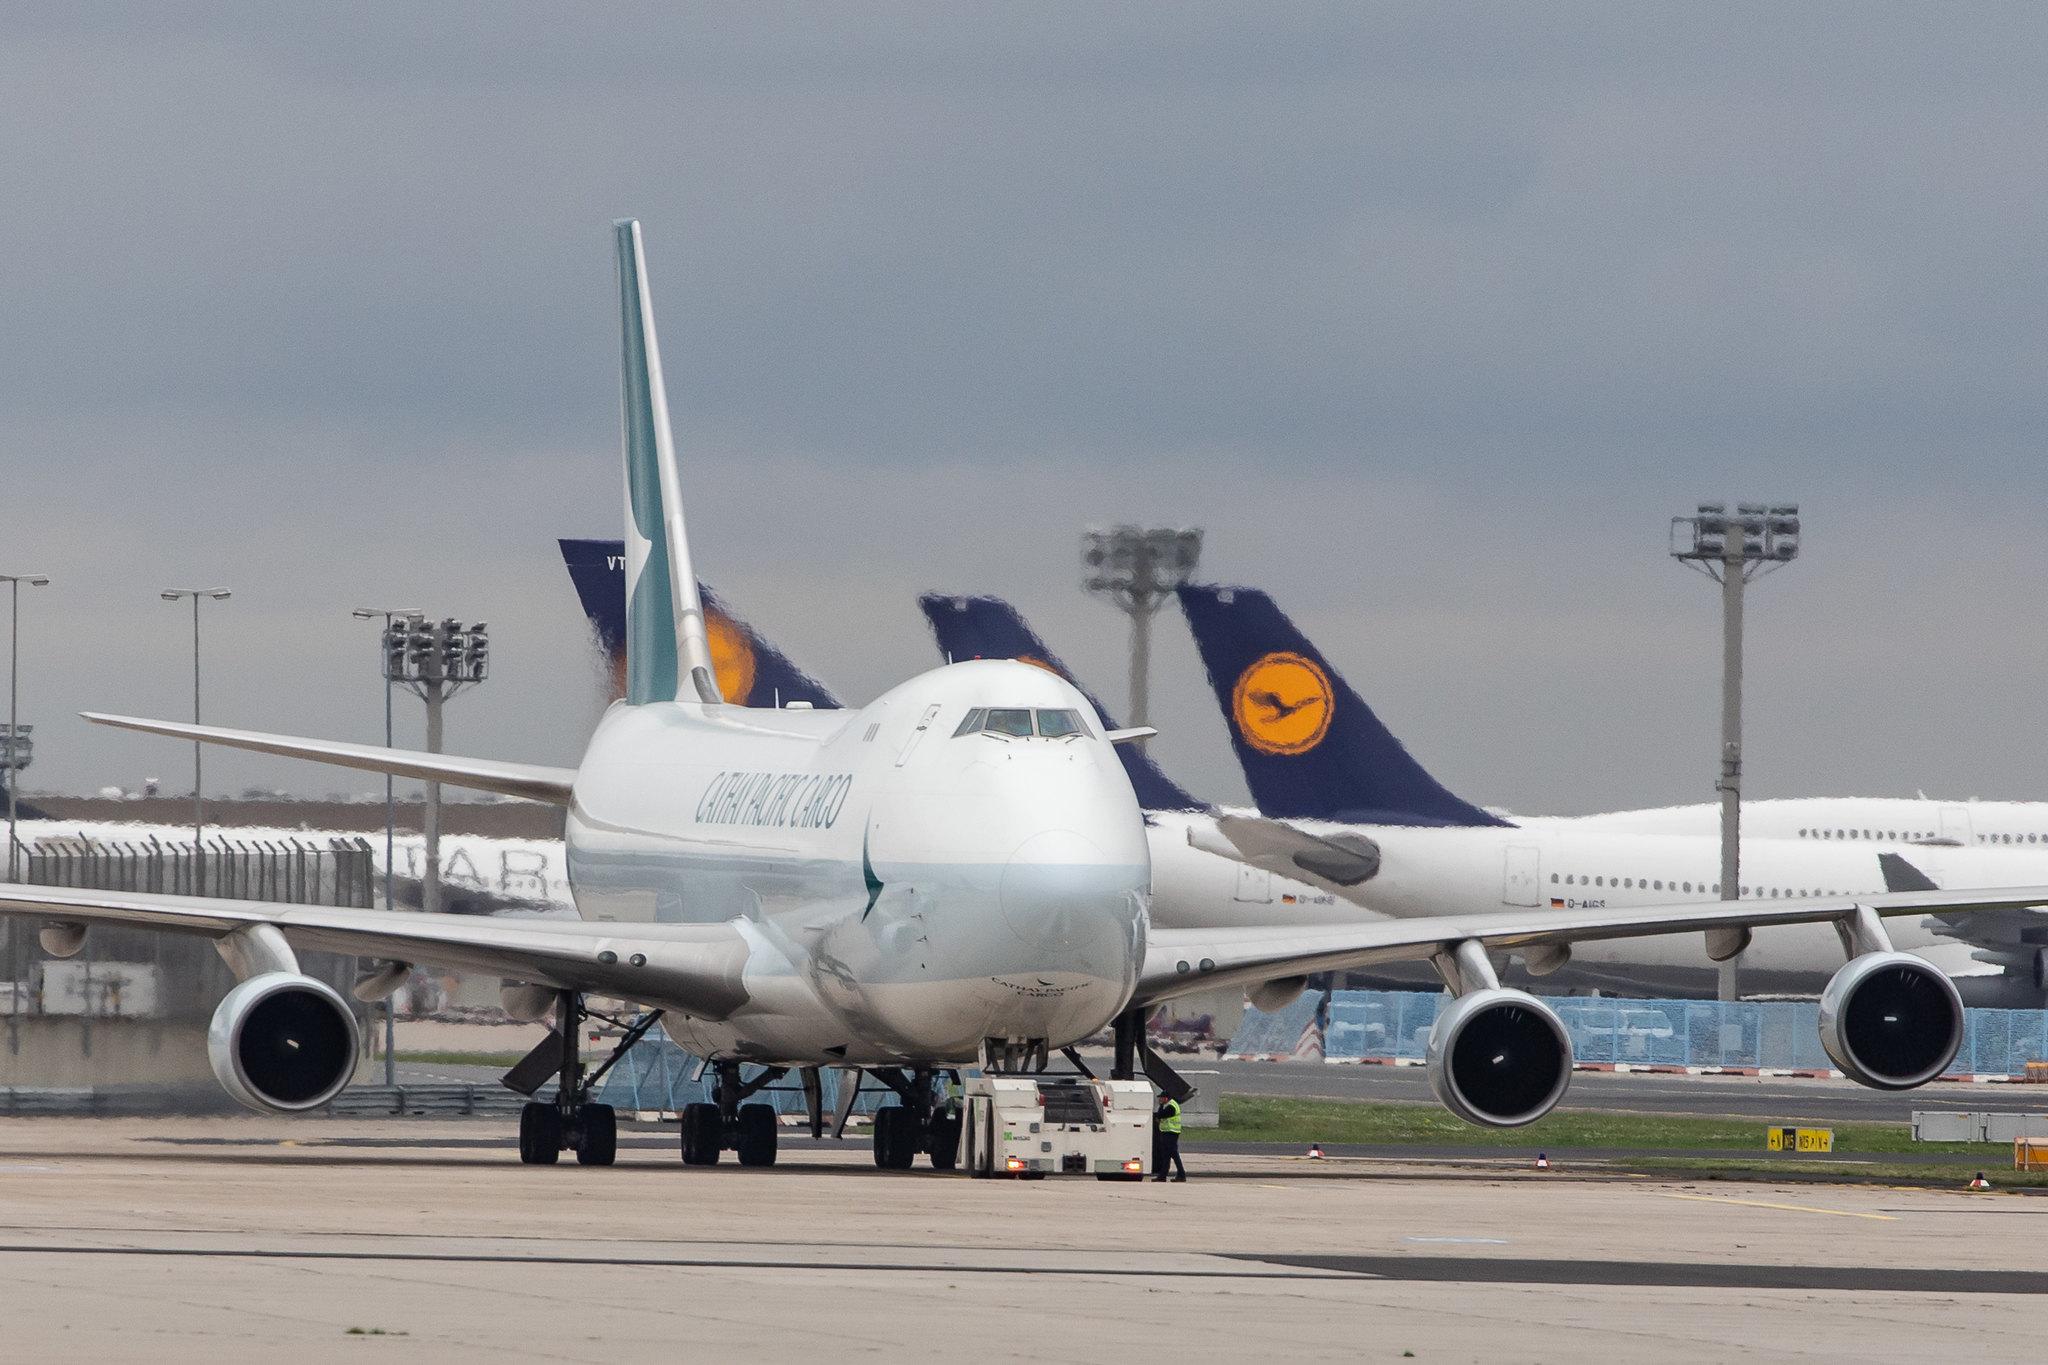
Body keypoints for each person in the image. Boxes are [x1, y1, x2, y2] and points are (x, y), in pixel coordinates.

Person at [1152, 1093, 1186, 1182]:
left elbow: (1160, 1115)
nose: (1160, 1100)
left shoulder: (1171, 1106)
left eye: (1161, 1098)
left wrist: (1161, 1106)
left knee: (1173, 1154)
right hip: (1168, 1132)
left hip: (1171, 1133)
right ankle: (1163, 1176)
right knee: (1166, 1155)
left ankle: (1181, 1174)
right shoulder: (1170, 1105)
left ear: (1166, 1098)